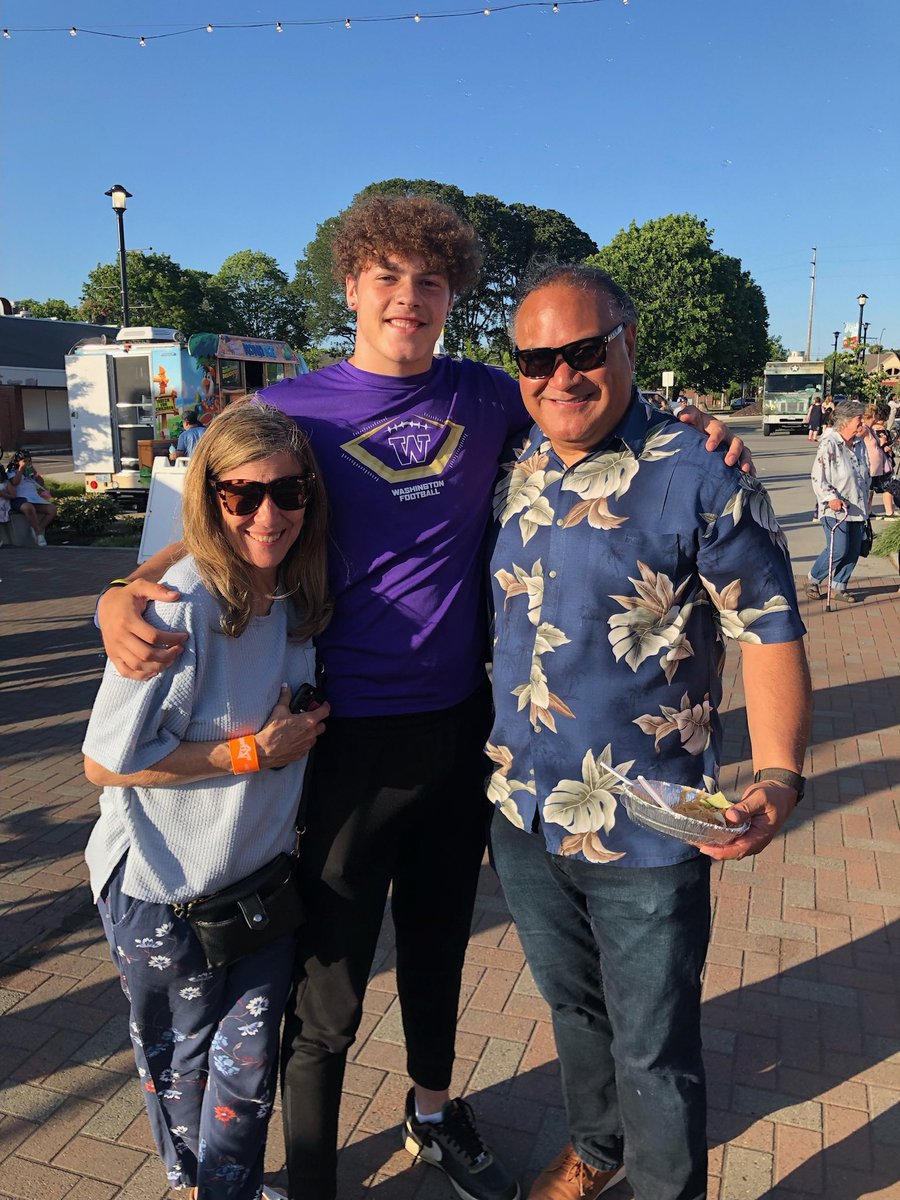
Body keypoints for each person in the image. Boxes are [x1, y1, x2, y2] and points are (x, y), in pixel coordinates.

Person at [93, 195, 749, 1200]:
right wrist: (117, 596)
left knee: (440, 948)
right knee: (332, 986)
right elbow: (202, 527)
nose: (408, 299)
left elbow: (601, 406)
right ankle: (310, 1175)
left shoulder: (489, 397)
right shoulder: (293, 413)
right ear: (351, 285)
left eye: (430, 281)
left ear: (452, 297)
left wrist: (702, 427)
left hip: (461, 734)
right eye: (387, 277)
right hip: (340, 740)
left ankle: (435, 1115)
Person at [486, 263, 811, 1200]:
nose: (560, 376)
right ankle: (596, 1151)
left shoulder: (701, 470)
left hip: (647, 826)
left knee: (654, 1046)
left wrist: (780, 772)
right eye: (536, 358)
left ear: (627, 346)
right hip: (523, 811)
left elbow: (770, 628)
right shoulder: (516, 462)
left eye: (584, 352)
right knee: (574, 1011)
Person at [82, 403, 331, 1200]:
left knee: (249, 1067)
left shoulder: (295, 597)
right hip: (164, 895)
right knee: (183, 1067)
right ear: (210, 498)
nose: (269, 514)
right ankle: (201, 1185)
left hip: (256, 885)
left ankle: (228, 1187)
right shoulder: (177, 609)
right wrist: (254, 752)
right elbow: (103, 764)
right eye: (242, 495)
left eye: (289, 493)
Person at [806, 400, 870, 604]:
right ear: (845, 421)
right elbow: (818, 475)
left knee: (853, 549)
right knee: (839, 548)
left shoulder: (859, 443)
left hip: (858, 505)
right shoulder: (830, 443)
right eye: (859, 418)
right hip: (835, 506)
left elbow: (865, 473)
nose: (862, 422)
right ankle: (813, 579)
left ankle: (839, 586)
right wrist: (830, 497)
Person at [6, 449, 57, 545]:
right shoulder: (11, 471)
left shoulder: (30, 471)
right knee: (28, 508)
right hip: (19, 498)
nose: (28, 463)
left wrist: (34, 472)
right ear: (18, 461)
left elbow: (41, 483)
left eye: (29, 461)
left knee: (52, 509)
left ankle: (37, 530)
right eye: (25, 461)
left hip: (34, 497)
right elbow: (14, 482)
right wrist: (21, 469)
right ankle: (39, 534)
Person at [863, 402, 896, 518]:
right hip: (872, 464)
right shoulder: (865, 429)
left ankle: (868, 510)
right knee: (886, 486)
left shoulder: (871, 428)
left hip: (876, 464)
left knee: (871, 488)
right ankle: (887, 511)